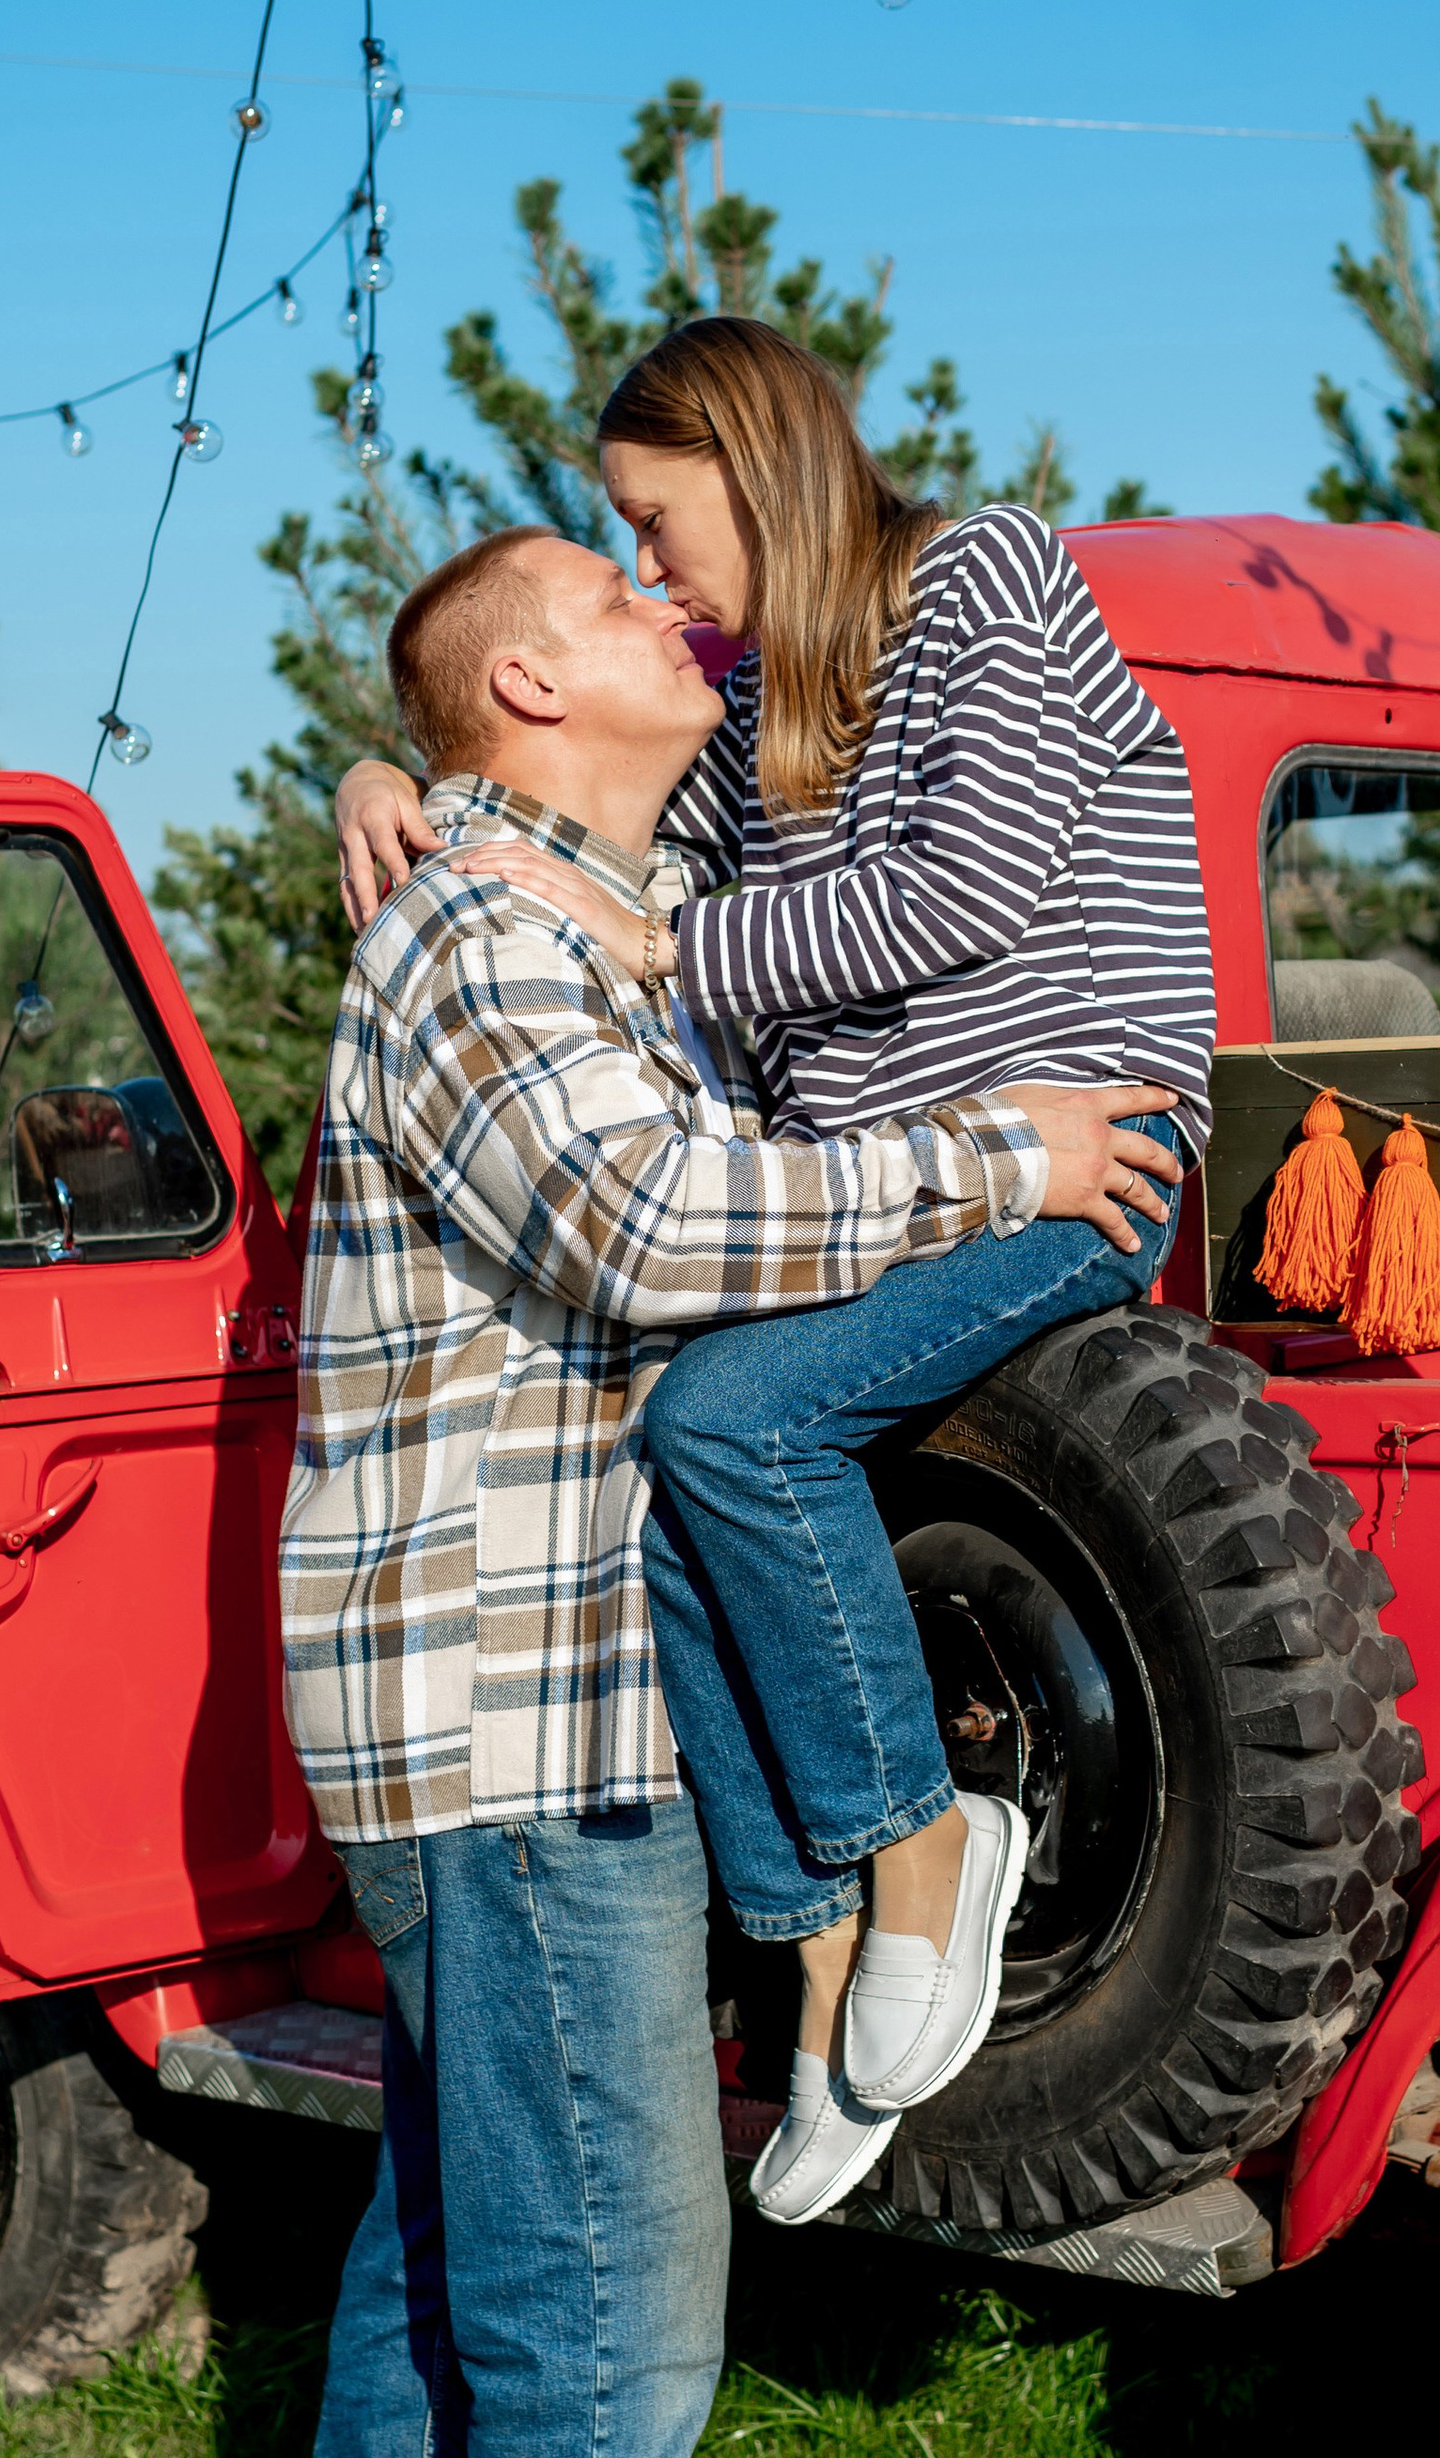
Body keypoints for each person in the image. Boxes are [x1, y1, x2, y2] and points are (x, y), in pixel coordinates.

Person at [282, 513, 1175, 2458]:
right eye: (605, 597)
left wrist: (395, 761)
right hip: (516, 1722)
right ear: (530, 699)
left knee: (452, 2248)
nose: (662, 611)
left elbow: (792, 867)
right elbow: (652, 1223)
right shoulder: (473, 949)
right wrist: (1001, 1157)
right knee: (608, 2310)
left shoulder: (569, 904)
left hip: (478, 1717)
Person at [335, 316, 1214, 2231]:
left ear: (754, 462)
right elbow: (617, 861)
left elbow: (951, 896)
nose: (653, 572)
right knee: (676, 1476)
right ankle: (822, 1964)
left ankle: (925, 1849)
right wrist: (382, 785)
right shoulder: (747, 713)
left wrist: (665, 963)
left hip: (1072, 1164)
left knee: (732, 1416)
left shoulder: (983, 574)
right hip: (903, 1194)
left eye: (658, 521)